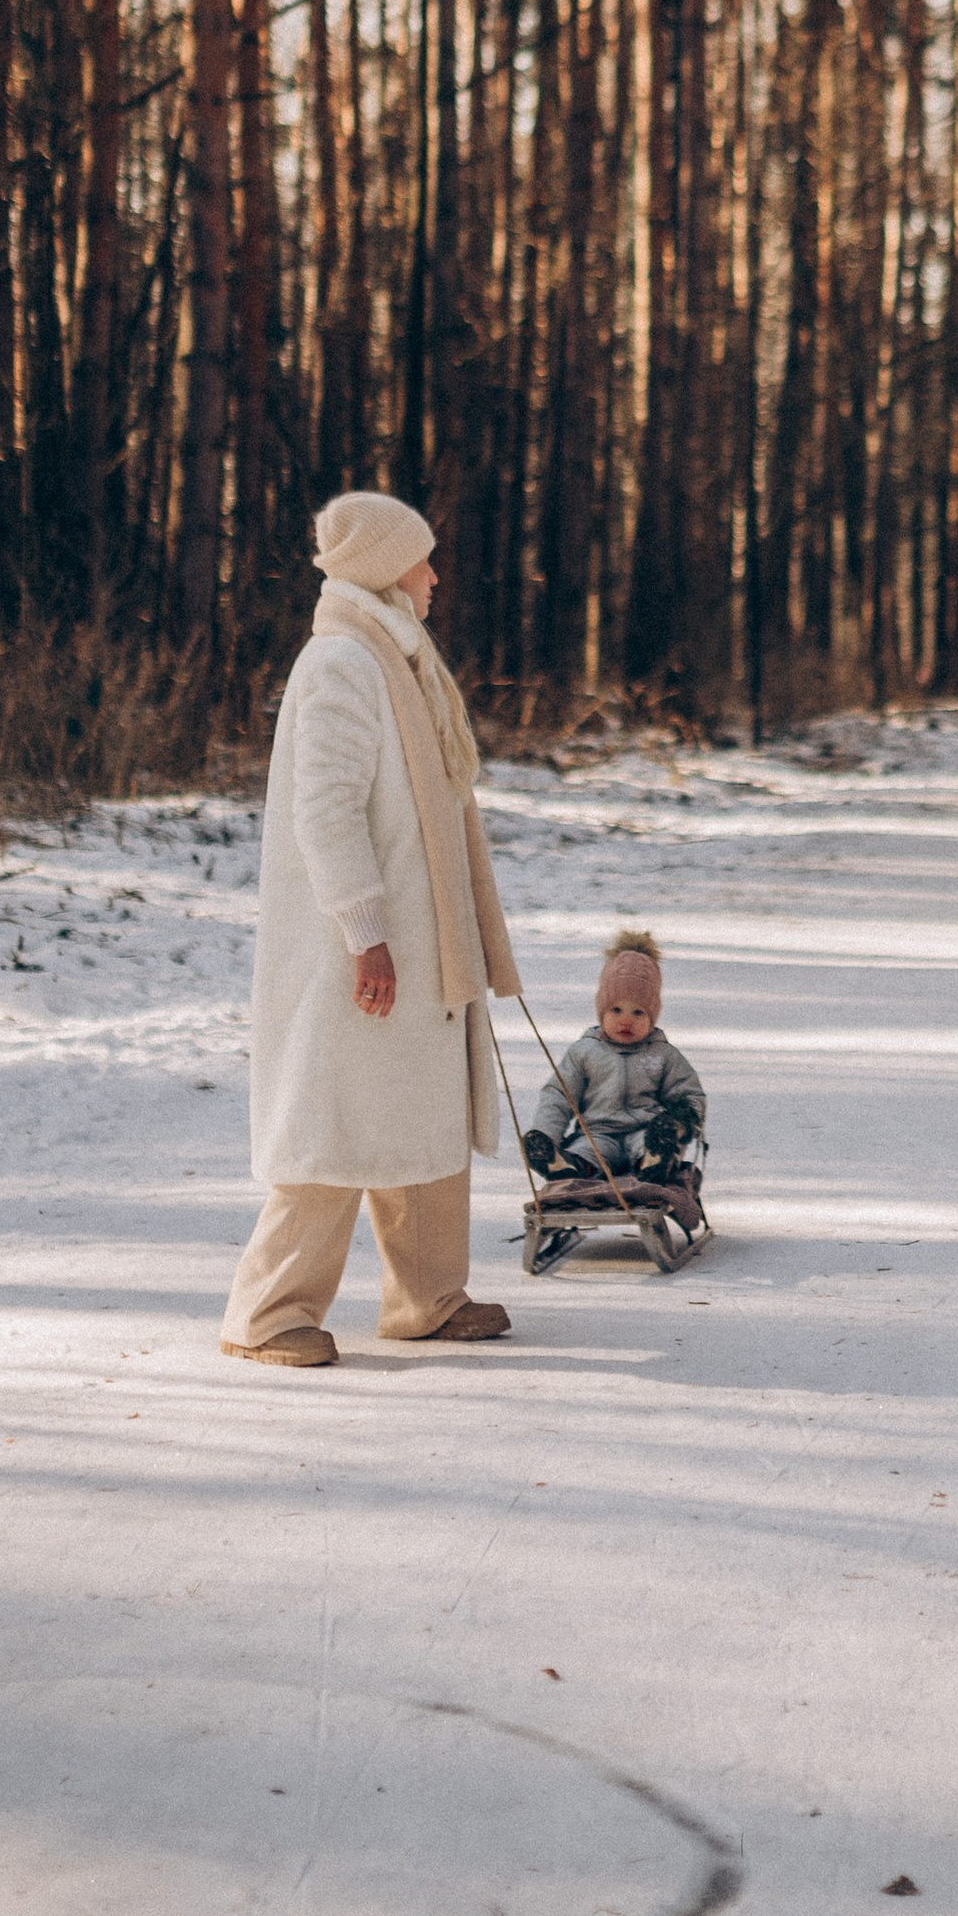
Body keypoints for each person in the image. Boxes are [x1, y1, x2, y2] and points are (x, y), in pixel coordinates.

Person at [220, 492, 523, 1370]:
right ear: (388, 568)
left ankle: (428, 1297)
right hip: (357, 946)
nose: (435, 576)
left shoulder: (398, 656)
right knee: (336, 1116)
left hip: (421, 937)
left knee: (422, 1112)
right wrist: (365, 930)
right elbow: (325, 810)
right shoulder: (342, 665)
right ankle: (266, 1312)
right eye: (422, 560)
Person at [521, 932, 706, 1269]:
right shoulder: (584, 1053)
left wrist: (678, 1123)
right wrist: (546, 1133)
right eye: (616, 1009)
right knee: (588, 1152)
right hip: (597, 1134)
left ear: (653, 1015)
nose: (626, 1020)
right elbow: (558, 1096)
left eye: (638, 1012)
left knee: (650, 1142)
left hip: (645, 1131)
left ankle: (654, 1161)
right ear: (601, 1009)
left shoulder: (664, 1056)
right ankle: (566, 1166)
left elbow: (689, 1095)